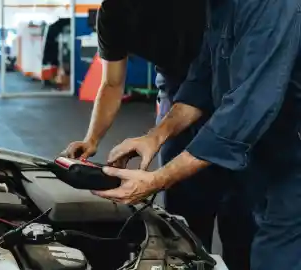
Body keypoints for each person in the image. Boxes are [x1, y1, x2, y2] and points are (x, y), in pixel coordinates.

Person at [93, 0, 301, 269]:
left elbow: (243, 112)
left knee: (270, 253)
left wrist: (158, 179)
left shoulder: (272, 6)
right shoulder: (218, 9)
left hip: (290, 149)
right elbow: (201, 82)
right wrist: (154, 137)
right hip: (263, 143)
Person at [62, 0, 255, 269]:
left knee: (241, 211)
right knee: (184, 214)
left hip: (233, 81)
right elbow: (112, 82)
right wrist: (92, 139)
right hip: (178, 87)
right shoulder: (114, 13)